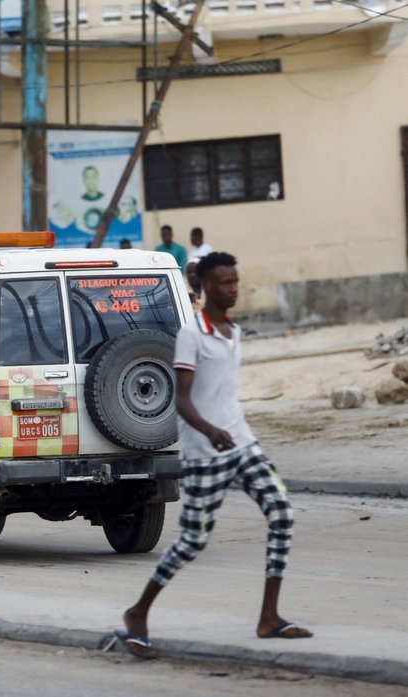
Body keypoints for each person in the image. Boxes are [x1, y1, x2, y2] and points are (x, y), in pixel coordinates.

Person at [115, 252, 311, 659]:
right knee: (191, 542)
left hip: (241, 442)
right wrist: (209, 430)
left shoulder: (232, 330)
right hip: (205, 452)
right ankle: (138, 612)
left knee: (282, 512)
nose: (233, 288)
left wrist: (229, 431)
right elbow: (182, 400)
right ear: (206, 286)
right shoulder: (193, 333)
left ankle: (269, 617)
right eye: (224, 282)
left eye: (236, 281)